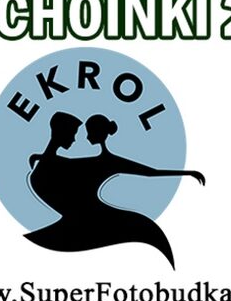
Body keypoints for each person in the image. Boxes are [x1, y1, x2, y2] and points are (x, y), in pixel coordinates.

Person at [26, 112, 203, 264]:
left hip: (89, 215)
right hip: (80, 214)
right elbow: (69, 163)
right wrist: (41, 156)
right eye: (74, 133)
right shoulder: (92, 162)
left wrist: (187, 173)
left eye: (87, 133)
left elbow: (150, 172)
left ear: (96, 134)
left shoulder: (108, 162)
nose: (80, 139)